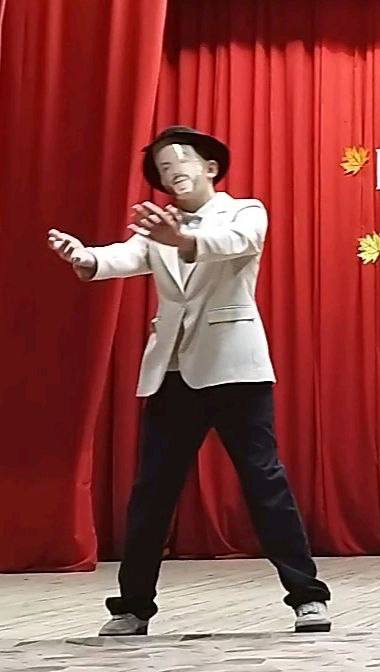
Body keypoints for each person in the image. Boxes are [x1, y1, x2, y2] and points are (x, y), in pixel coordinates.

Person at [47, 125, 331, 636]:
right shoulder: (159, 227)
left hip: (234, 367)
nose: (171, 170)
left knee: (264, 481)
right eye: (162, 167)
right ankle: (132, 608)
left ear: (210, 168)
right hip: (172, 371)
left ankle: (307, 597)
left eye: (180, 159)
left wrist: (182, 239)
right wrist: (84, 256)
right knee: (152, 492)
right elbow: (123, 256)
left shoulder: (244, 211)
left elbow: (235, 243)